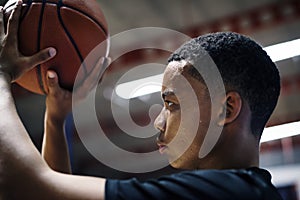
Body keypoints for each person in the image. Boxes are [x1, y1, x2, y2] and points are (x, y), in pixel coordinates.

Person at [0, 1, 283, 199]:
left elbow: (24, 187)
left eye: (171, 104)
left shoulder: (225, 192)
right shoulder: (248, 191)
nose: (158, 122)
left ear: (227, 108)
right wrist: (56, 116)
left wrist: (1, 73)